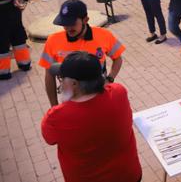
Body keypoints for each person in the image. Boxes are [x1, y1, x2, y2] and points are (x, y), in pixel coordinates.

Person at [41, 52, 141, 182]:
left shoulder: (55, 117)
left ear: (74, 84)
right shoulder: (119, 92)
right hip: (129, 175)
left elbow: (49, 139)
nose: (61, 83)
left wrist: (66, 101)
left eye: (62, 79)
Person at [39, 0, 125, 106]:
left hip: (99, 96)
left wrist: (110, 78)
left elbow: (118, 58)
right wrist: (54, 106)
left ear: (85, 20)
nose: (68, 28)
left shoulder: (104, 35)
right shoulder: (53, 40)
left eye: (72, 23)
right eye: (64, 24)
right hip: (70, 101)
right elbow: (49, 74)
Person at [0, 0, 30, 80]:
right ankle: (25, 64)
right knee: (18, 38)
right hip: (14, 9)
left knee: (2, 43)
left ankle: (3, 72)